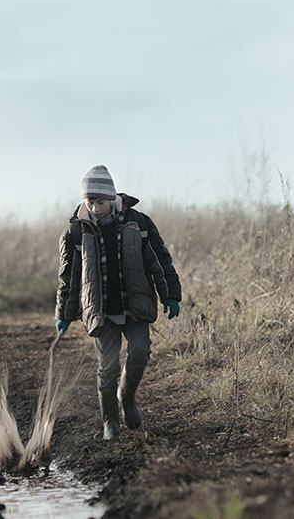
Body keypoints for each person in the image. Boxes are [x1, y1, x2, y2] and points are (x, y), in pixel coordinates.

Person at [54, 165, 181, 440]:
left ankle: (128, 397)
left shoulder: (138, 223)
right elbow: (69, 276)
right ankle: (110, 420)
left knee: (140, 352)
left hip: (134, 305)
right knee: (107, 367)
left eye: (100, 202)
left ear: (111, 198)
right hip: (102, 311)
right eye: (90, 202)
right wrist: (65, 312)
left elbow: (159, 260)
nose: (95, 208)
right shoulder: (76, 232)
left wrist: (169, 294)